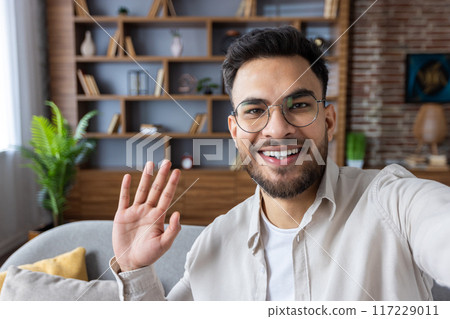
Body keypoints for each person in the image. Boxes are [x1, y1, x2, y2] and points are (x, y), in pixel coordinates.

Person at [110, 26, 450, 300]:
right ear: (235, 131)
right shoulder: (213, 243)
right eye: (255, 111)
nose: (277, 129)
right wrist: (134, 269)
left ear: (328, 120)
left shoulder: (395, 203)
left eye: (299, 105)